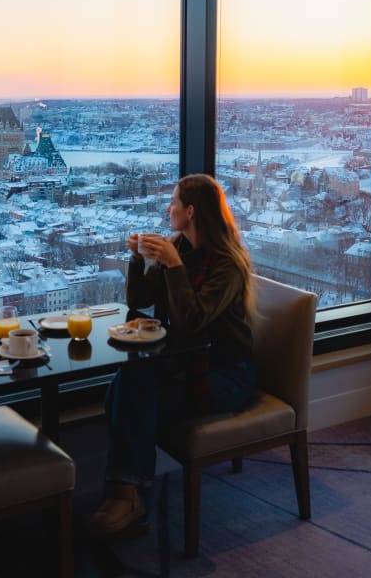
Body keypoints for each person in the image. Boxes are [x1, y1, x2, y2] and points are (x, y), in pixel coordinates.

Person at [89, 173, 257, 538]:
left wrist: (174, 267)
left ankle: (128, 495)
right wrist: (137, 259)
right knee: (124, 385)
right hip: (188, 362)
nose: (169, 208)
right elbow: (139, 301)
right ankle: (129, 492)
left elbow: (192, 320)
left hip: (227, 374)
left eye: (174, 202)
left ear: (191, 211)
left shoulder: (227, 265)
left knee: (132, 392)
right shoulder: (179, 247)